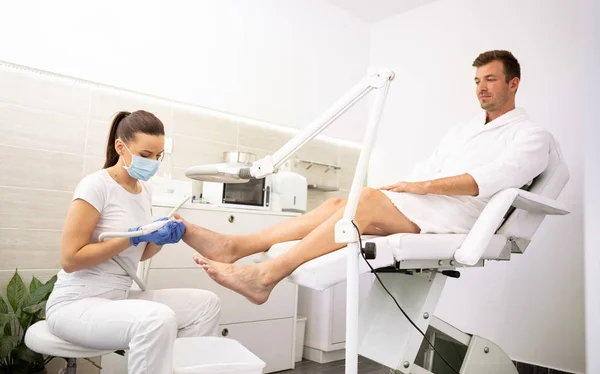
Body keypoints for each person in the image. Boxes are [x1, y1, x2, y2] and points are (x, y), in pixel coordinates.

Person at [177, 49, 551, 306]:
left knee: (366, 204)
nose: (481, 88)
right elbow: (429, 168)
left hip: (462, 216)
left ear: (513, 84)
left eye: (491, 80)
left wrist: (419, 189)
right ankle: (237, 247)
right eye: (476, 80)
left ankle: (265, 276)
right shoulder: (462, 130)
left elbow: (491, 178)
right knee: (342, 203)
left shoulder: (532, 136)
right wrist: (406, 187)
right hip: (429, 205)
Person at [45, 110, 221, 374]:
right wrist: (135, 235)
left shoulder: (144, 191)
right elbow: (70, 260)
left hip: (118, 297)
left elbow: (137, 255)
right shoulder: (95, 185)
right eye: (145, 155)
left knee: (206, 304)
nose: (153, 162)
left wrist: (161, 238)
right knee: (157, 319)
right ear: (121, 146)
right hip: (76, 304)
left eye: (158, 156)